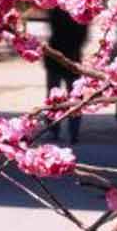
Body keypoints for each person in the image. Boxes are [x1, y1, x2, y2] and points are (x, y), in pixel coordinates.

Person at [42, 7, 89, 144]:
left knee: (55, 96)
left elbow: (52, 24)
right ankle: (73, 131)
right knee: (73, 96)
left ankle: (54, 130)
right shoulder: (79, 11)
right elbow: (83, 36)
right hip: (71, 57)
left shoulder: (56, 9)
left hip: (57, 57)